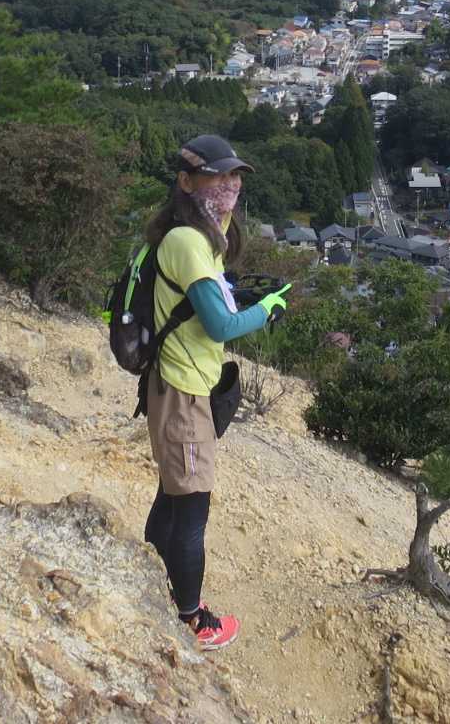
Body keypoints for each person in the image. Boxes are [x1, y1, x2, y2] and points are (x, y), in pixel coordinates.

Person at [142, 134, 291, 651]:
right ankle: (193, 618)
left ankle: (151, 579)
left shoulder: (198, 232)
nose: (229, 185)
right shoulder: (187, 241)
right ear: (186, 182)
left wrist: (235, 288)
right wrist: (267, 308)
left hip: (181, 386)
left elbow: (206, 293)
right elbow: (221, 325)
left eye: (234, 176)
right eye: (216, 176)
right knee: (192, 511)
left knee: (173, 495)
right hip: (182, 393)